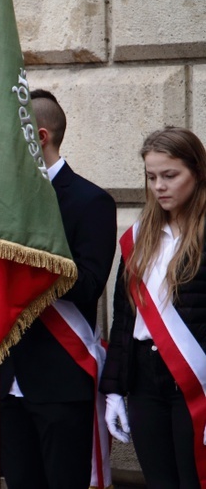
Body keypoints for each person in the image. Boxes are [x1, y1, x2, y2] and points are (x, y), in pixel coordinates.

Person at [0, 89, 117, 488]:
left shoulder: (90, 200)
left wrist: (33, 252)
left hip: (61, 377)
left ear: (41, 136)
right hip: (9, 376)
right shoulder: (1, 203)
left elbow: (89, 286)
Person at [101, 127, 206, 487]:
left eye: (170, 175)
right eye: (151, 177)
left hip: (195, 380)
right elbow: (123, 317)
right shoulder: (139, 235)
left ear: (197, 172)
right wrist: (113, 389)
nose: (159, 186)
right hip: (145, 378)